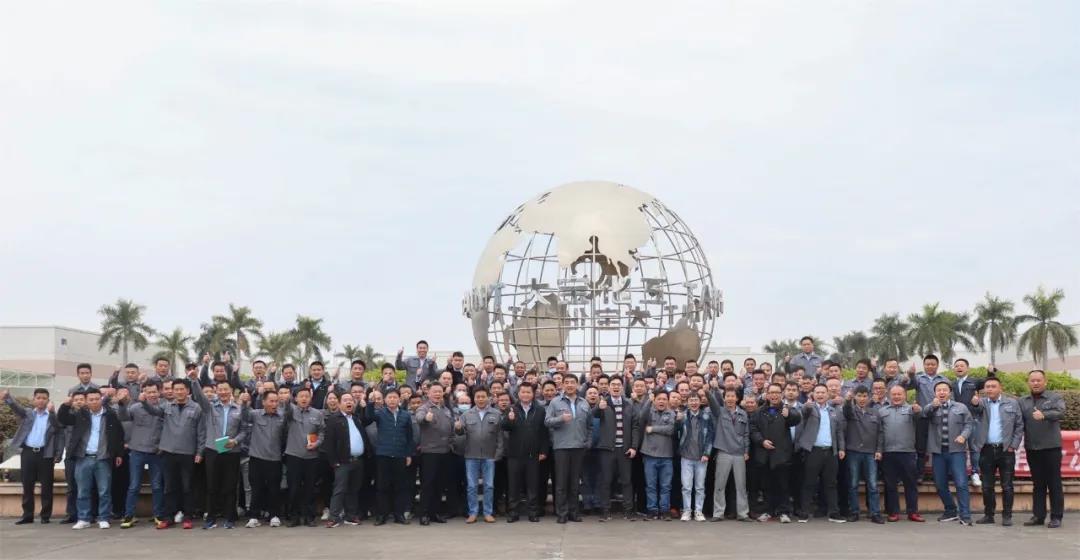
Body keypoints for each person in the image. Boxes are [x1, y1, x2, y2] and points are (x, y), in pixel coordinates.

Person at [57, 388, 125, 530]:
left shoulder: (110, 415)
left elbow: (119, 435)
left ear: (101, 399)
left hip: (103, 458)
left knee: (104, 490)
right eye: (91, 400)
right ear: (86, 401)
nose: (94, 402)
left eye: (97, 399)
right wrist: (65, 405)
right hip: (83, 457)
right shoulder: (80, 414)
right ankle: (84, 518)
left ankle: (104, 518)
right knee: (83, 490)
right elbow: (63, 419)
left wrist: (119, 454)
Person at [142, 379, 204, 530]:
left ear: (187, 391)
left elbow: (201, 432)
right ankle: (168, 517)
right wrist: (144, 402)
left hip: (188, 453)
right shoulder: (166, 406)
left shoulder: (196, 408)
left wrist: (199, 451)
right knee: (169, 487)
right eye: (176, 389)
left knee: (187, 487)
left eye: (182, 389)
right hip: (168, 452)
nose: (179, 392)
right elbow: (153, 411)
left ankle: (187, 517)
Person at [190, 370, 246, 530]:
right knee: (212, 486)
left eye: (225, 389)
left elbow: (244, 430)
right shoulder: (210, 408)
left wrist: (235, 441)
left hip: (232, 451)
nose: (223, 392)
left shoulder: (239, 409)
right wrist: (194, 380)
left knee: (230, 486)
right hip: (213, 450)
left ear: (231, 391)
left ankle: (230, 518)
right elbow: (199, 396)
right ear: (216, 391)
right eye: (220, 390)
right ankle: (211, 518)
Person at [1, 388, 63, 525]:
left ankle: (45, 516)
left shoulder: (53, 416)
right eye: (38, 398)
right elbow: (17, 409)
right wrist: (8, 397)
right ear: (34, 400)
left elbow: (59, 432)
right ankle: (27, 515)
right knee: (27, 485)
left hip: (45, 454)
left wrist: (58, 454)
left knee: (47, 486)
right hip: (28, 453)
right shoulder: (28, 413)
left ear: (48, 400)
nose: (41, 400)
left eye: (44, 398)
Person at [970, 376, 1023, 526]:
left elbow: (1019, 425)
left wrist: (1013, 445)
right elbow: (975, 411)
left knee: (1007, 485)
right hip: (986, 449)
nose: (990, 389)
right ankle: (989, 515)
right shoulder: (981, 403)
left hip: (1006, 449)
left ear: (1000, 388)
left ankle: (1007, 516)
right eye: (987, 387)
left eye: (993, 386)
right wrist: (974, 403)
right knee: (987, 486)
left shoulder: (1012, 403)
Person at [1018, 369, 1066, 529]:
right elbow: (1018, 421)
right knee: (1038, 484)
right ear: (1028, 383)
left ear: (1045, 382)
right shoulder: (1023, 401)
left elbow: (1061, 412)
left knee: (1054, 483)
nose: (1035, 383)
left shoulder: (1054, 397)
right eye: (1032, 380)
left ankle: (1056, 516)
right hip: (1032, 447)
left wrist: (1045, 415)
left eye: (1039, 380)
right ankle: (1038, 516)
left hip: (1051, 447)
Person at [922, 380, 973, 525]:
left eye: (944, 390)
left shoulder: (961, 407)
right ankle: (950, 510)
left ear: (950, 392)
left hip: (957, 451)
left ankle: (965, 514)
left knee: (961, 483)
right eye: (938, 390)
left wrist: (963, 435)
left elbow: (969, 424)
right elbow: (924, 414)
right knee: (939, 484)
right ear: (935, 393)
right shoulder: (931, 407)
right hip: (938, 452)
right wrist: (933, 406)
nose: (942, 392)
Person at [361, 388, 415, 525]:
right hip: (383, 454)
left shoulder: (405, 415)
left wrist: (409, 454)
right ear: (385, 400)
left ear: (399, 399)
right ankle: (382, 515)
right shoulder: (380, 413)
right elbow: (368, 417)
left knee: (400, 486)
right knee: (382, 486)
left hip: (400, 454)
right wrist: (371, 402)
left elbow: (409, 437)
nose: (392, 400)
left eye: (395, 397)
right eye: (389, 397)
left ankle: (399, 515)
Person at [116, 382, 165, 528]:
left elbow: (154, 412)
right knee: (134, 485)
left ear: (159, 392)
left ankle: (158, 514)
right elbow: (123, 417)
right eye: (149, 392)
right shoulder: (135, 407)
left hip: (156, 452)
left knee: (157, 486)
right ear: (144, 393)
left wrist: (162, 446)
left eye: (154, 392)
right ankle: (129, 515)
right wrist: (121, 403)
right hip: (137, 451)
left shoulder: (164, 407)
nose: (152, 395)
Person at [748, 383, 800, 523]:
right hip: (764, 455)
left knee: (783, 485)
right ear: (767, 394)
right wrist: (761, 441)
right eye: (772, 392)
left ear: (781, 394)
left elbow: (797, 418)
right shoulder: (759, 412)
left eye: (777, 392)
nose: (774, 395)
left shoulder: (786, 409)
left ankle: (784, 512)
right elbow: (753, 429)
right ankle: (768, 511)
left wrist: (789, 415)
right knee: (766, 485)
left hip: (782, 455)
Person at [795, 384, 846, 523]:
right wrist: (807, 406)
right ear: (813, 394)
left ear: (828, 394)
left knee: (831, 483)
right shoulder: (809, 408)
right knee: (809, 482)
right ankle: (804, 512)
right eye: (817, 392)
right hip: (813, 451)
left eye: (823, 392)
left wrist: (841, 448)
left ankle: (834, 513)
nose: (820, 395)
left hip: (830, 451)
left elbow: (839, 431)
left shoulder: (834, 411)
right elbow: (803, 413)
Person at [544, 375, 590, 524]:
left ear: (577, 385)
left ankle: (574, 512)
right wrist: (560, 419)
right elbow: (547, 421)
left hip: (578, 447)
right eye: (567, 382)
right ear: (562, 385)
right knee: (561, 483)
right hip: (562, 447)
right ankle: (562, 513)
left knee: (575, 483)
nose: (570, 385)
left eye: (572, 382)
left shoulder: (584, 402)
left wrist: (587, 442)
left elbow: (589, 425)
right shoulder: (555, 402)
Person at [239, 386, 286, 528]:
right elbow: (244, 415)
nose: (274, 404)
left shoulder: (282, 416)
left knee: (274, 489)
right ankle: (254, 516)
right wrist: (244, 402)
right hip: (257, 458)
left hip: (275, 459)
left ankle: (274, 515)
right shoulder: (255, 414)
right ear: (264, 402)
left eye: (276, 401)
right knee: (256, 488)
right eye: (271, 401)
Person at [453, 387, 502, 523]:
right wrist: (458, 428)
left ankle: (488, 512)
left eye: (483, 396)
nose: (480, 399)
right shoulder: (466, 414)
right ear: (474, 399)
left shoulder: (496, 414)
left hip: (489, 455)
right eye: (478, 397)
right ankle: (473, 513)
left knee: (489, 485)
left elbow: (500, 436)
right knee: (472, 486)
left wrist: (498, 453)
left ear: (488, 398)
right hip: (471, 455)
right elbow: (460, 433)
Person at [502, 383, 549, 523]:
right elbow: (504, 427)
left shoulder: (540, 410)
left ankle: (533, 512)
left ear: (533, 394)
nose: (525, 395)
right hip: (514, 455)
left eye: (528, 392)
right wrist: (509, 419)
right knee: (514, 485)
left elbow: (544, 432)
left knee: (532, 485)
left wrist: (544, 450)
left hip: (533, 455)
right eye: (523, 392)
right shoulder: (511, 408)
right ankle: (513, 512)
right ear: (518, 393)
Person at [323, 392, 371, 527]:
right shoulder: (334, 419)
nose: (349, 402)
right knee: (339, 489)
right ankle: (333, 517)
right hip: (342, 462)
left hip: (358, 460)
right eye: (345, 400)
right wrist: (334, 461)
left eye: (351, 400)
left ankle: (351, 516)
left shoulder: (356, 418)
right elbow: (329, 443)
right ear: (339, 404)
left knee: (354, 489)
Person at [592, 376, 636, 521]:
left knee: (626, 481)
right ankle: (605, 510)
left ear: (622, 387)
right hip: (607, 449)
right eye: (613, 384)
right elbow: (592, 415)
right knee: (606, 481)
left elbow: (635, 426)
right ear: (609, 387)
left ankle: (628, 511)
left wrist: (633, 447)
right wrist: (598, 407)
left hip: (625, 449)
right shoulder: (604, 403)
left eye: (618, 385)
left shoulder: (629, 404)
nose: (616, 387)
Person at [878, 384, 924, 522]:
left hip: (907, 452)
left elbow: (920, 416)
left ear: (905, 395)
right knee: (890, 484)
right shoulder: (882, 411)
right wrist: (879, 450)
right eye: (894, 394)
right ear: (889, 396)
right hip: (888, 452)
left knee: (910, 484)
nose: (896, 396)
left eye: (899, 394)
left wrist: (918, 410)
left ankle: (913, 512)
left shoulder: (911, 409)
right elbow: (879, 433)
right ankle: (893, 512)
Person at [282, 386, 325, 527]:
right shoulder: (290, 411)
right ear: (296, 398)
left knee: (310, 488)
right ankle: (294, 517)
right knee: (293, 488)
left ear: (310, 398)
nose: (304, 398)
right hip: (293, 455)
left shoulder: (317, 414)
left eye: (307, 396)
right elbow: (285, 410)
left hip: (311, 457)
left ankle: (309, 517)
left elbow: (322, 432)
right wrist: (286, 400)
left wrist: (317, 444)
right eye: (301, 396)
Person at [842, 386, 883, 523]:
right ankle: (854, 512)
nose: (862, 399)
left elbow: (880, 433)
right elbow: (846, 410)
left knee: (872, 485)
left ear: (869, 397)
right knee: (853, 484)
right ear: (855, 397)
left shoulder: (875, 413)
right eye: (859, 396)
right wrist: (847, 400)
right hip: (854, 452)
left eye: (865, 396)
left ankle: (875, 513)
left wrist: (879, 450)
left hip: (870, 453)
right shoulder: (851, 411)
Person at [414, 383, 454, 525]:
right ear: (428, 394)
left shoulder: (446, 409)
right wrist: (426, 419)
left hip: (445, 451)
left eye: (440, 391)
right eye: (434, 391)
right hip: (430, 453)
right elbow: (419, 418)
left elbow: (451, 426)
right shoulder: (424, 408)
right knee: (428, 484)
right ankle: (424, 514)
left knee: (439, 484)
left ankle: (434, 513)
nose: (437, 394)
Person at [637, 390, 676, 521]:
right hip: (649, 455)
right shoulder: (649, 411)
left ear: (668, 401)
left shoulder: (671, 413)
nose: (661, 401)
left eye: (664, 399)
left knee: (666, 486)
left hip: (666, 456)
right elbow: (641, 417)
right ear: (655, 400)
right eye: (659, 399)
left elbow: (670, 429)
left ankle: (665, 510)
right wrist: (649, 400)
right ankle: (652, 510)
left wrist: (653, 429)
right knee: (650, 485)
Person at [677, 392, 713, 522]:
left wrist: (707, 453)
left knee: (700, 487)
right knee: (686, 486)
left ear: (700, 401)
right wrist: (678, 421)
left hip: (701, 457)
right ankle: (687, 511)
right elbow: (676, 433)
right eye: (691, 400)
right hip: (686, 457)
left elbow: (710, 436)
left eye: (696, 400)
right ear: (687, 402)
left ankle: (698, 511)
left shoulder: (706, 416)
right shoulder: (682, 416)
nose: (694, 402)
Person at [951, 358, 984, 487]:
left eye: (962, 365)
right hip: (956, 421)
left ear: (967, 368)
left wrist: (991, 372)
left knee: (974, 448)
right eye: (957, 366)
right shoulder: (952, 384)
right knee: (957, 449)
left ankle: (975, 473)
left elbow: (988, 382)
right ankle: (959, 473)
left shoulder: (974, 382)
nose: (959, 368)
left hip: (972, 419)